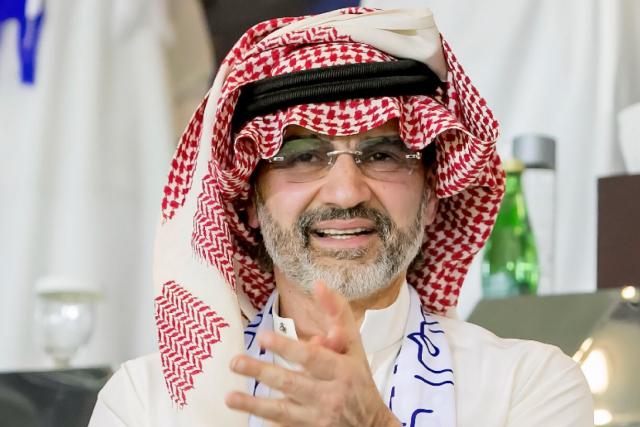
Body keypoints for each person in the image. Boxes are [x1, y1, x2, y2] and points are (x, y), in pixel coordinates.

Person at [89, 7, 593, 427]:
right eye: (303, 156)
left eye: (383, 155)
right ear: (249, 200)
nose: (347, 193)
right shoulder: (144, 403)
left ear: (431, 195)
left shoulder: (527, 384)